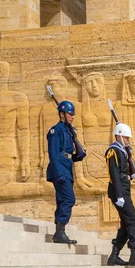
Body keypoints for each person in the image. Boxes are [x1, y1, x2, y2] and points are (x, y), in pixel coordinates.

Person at [105, 123, 135, 267]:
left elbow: (123, 172)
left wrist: (132, 171)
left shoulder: (122, 151)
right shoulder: (113, 151)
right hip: (119, 191)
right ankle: (134, 254)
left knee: (126, 224)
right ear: (118, 136)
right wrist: (119, 195)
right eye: (126, 137)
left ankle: (114, 255)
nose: (128, 140)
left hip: (124, 189)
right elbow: (114, 174)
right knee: (134, 221)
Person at [47, 100, 85, 244]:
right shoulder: (55, 131)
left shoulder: (68, 132)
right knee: (69, 199)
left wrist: (78, 156)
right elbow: (54, 153)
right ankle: (60, 232)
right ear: (62, 114)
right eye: (70, 113)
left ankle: (59, 232)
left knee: (62, 200)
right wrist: (58, 173)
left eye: (73, 114)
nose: (72, 116)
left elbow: (67, 154)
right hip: (60, 170)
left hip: (66, 168)